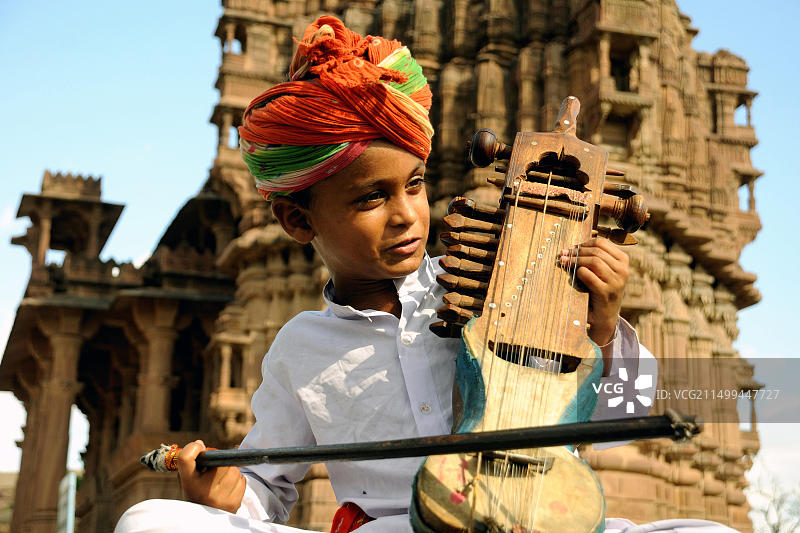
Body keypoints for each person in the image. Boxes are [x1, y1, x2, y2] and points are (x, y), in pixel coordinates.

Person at [115, 15, 737, 533]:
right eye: (371, 198)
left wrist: (602, 327)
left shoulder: (501, 287)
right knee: (149, 521)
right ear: (298, 220)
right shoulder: (300, 349)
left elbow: (624, 420)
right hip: (401, 527)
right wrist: (228, 495)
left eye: (414, 185)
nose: (407, 215)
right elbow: (266, 488)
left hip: (545, 513)